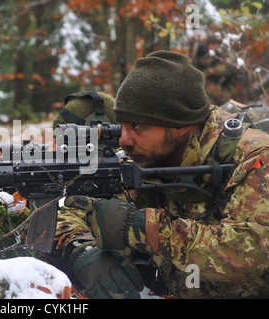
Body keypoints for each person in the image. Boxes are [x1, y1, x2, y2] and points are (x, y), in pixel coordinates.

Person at [54, 50, 269, 298]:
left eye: (137, 125)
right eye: (121, 124)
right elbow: (72, 211)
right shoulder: (144, 157)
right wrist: (82, 252)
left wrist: (146, 229)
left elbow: (253, 250)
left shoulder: (253, 156)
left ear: (180, 126)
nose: (123, 140)